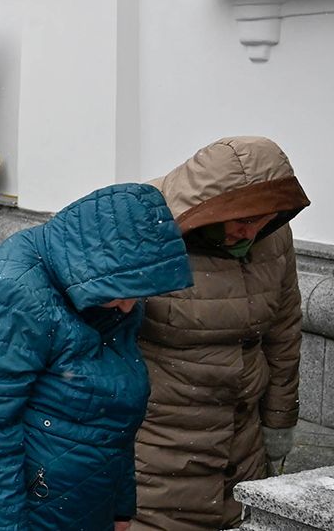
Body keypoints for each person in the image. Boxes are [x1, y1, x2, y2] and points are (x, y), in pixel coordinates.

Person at [0, 183, 194, 531]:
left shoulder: (106, 292)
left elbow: (114, 408)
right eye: (125, 293)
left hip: (62, 504)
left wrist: (119, 506)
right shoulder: (7, 293)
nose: (129, 306)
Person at [133, 137, 310, 530]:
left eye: (262, 220)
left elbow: (284, 332)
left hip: (241, 441)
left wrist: (280, 421)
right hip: (157, 444)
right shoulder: (140, 227)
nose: (248, 232)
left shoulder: (272, 236)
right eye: (241, 219)